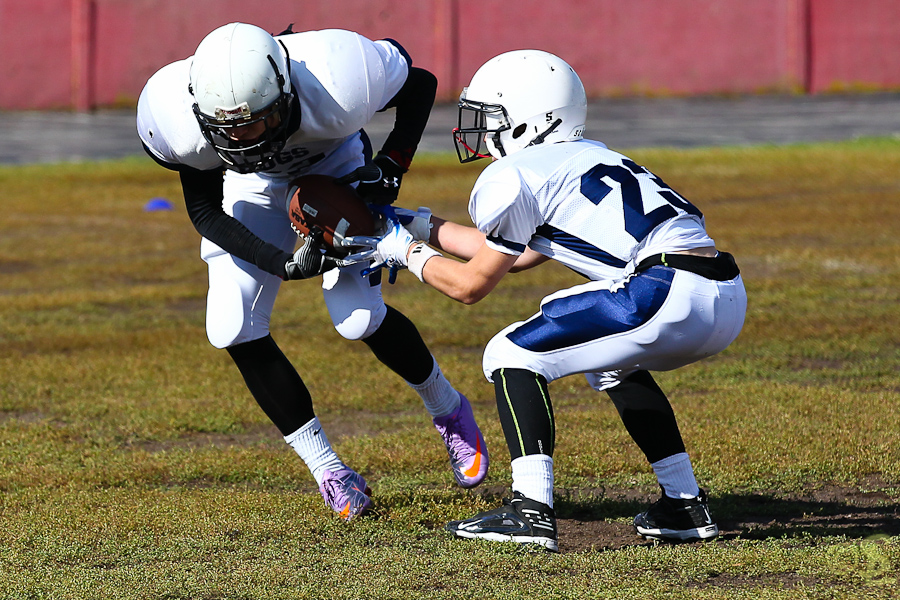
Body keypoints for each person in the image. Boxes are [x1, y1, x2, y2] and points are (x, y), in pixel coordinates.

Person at [363, 50, 747, 551]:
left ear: (532, 120)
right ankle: (684, 506)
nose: (480, 132)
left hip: (665, 290)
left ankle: (531, 510)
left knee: (510, 355)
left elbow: (470, 286)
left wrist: (402, 251)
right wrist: (418, 224)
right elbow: (514, 255)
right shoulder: (590, 159)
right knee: (613, 368)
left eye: (490, 118)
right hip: (722, 291)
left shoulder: (517, 174)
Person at [135, 22, 488, 521]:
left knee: (358, 319)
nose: (240, 138)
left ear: (284, 94)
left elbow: (421, 84)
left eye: (254, 123)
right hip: (253, 186)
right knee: (231, 325)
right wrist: (281, 263)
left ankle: (447, 406)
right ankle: (328, 469)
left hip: (334, 165)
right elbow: (206, 212)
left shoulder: (338, 77)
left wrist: (391, 166)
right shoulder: (175, 115)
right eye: (226, 129)